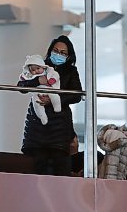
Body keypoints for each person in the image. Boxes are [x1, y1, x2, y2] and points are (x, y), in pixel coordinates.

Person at [18, 35, 83, 176]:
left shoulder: (71, 71)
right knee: (38, 168)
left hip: (60, 127)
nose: (58, 54)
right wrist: (38, 81)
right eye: (56, 50)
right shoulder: (39, 65)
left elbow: (77, 95)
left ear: (68, 55)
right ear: (50, 50)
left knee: (61, 168)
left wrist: (55, 99)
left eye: (63, 52)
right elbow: (21, 86)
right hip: (37, 128)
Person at [18, 54, 61, 125]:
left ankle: (57, 107)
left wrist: (52, 80)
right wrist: (36, 81)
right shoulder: (31, 75)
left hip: (49, 89)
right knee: (36, 104)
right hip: (37, 92)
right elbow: (21, 84)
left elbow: (55, 75)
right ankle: (42, 116)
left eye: (38, 68)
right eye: (33, 70)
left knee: (55, 96)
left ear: (43, 67)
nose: (36, 71)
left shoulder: (49, 71)